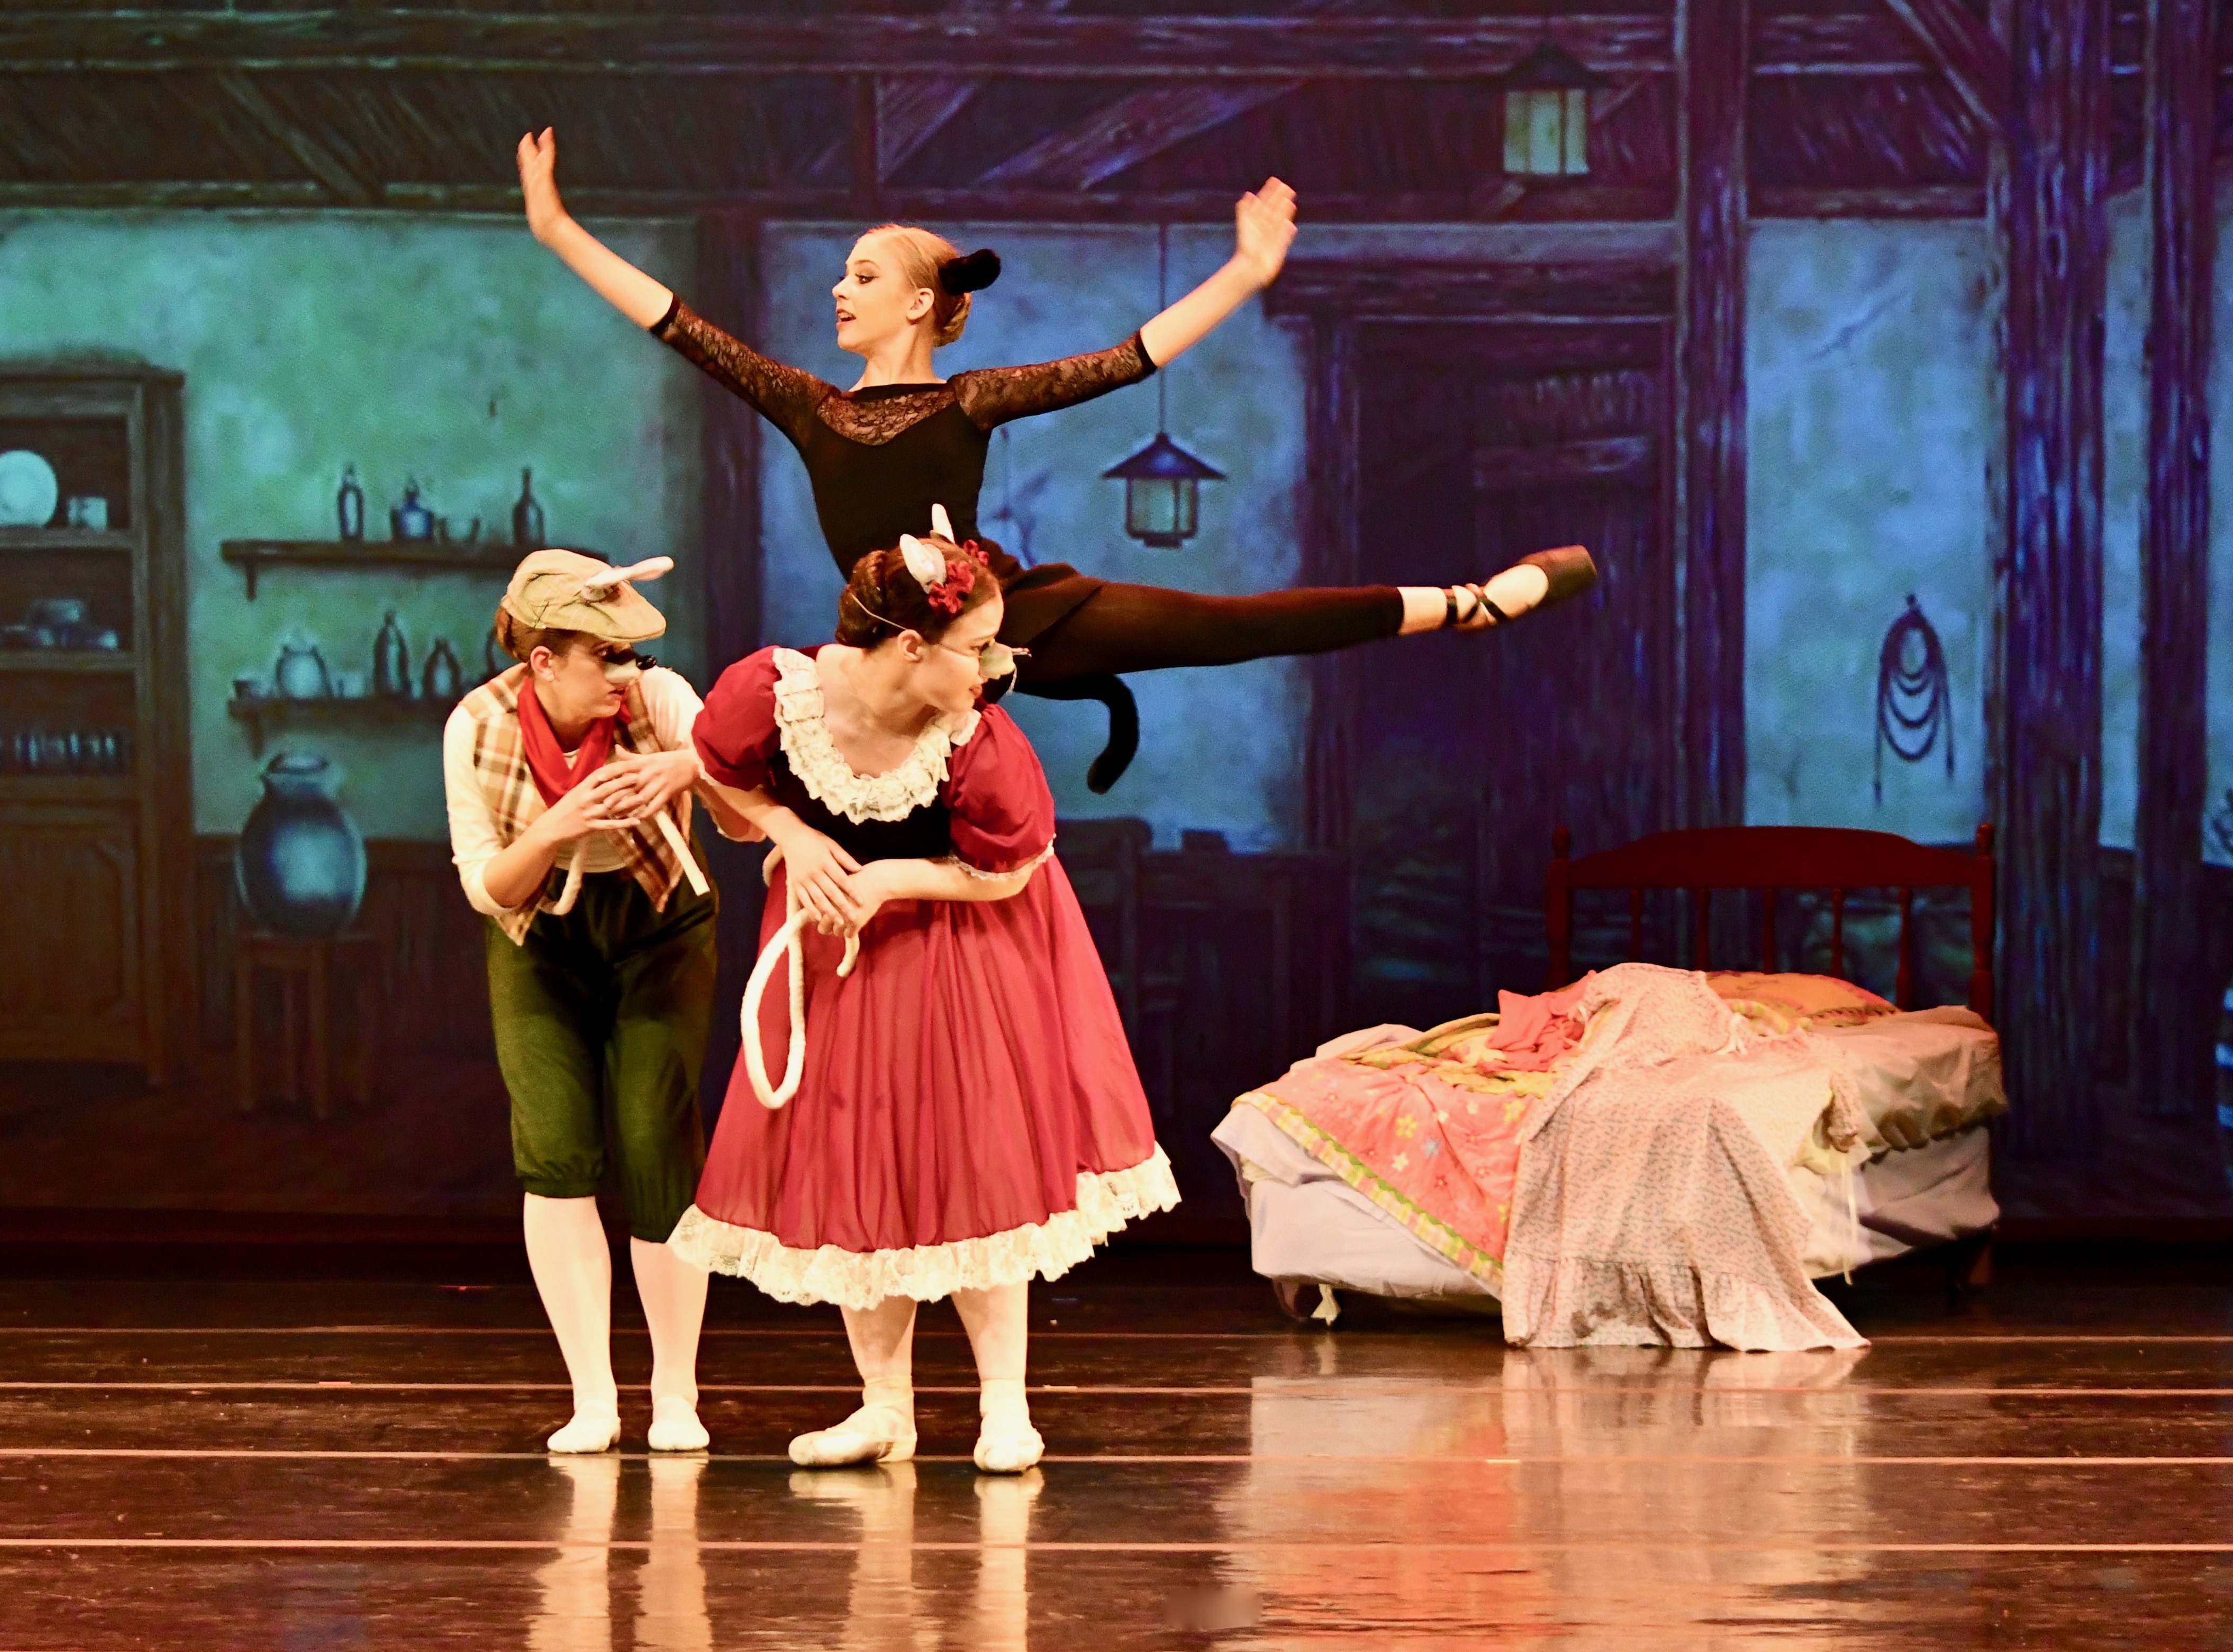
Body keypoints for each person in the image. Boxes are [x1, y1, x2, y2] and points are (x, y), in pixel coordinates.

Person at [514, 128, 1594, 790]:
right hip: (884, 650)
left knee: (1232, 625)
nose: (839, 290)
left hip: (1002, 619)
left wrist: (1244, 273)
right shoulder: (810, 407)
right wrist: (558, 230)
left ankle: (1467, 603)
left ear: (921, 304)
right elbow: (677, 323)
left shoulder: (969, 400)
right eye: (840, 275)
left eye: (863, 276)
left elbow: (1126, 360)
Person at [667, 519, 1172, 1473]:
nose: (995, 668)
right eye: (976, 647)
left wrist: (890, 880)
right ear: (908, 645)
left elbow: (1009, 869)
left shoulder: (975, 737)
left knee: (977, 1162)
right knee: (855, 1156)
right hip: (837, 949)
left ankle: (1005, 1405)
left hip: (958, 942)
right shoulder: (777, 692)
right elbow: (719, 776)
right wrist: (794, 835)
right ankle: (884, 1407)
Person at [442, 547, 724, 1455]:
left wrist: (686, 769)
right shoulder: (477, 725)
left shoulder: (658, 700)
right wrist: (556, 825)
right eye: (605, 655)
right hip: (538, 936)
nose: (624, 672)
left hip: (656, 925)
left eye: (629, 653)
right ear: (545, 661)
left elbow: (743, 789)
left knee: (655, 1141)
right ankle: (593, 1396)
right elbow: (488, 887)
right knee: (556, 1150)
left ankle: (674, 1391)